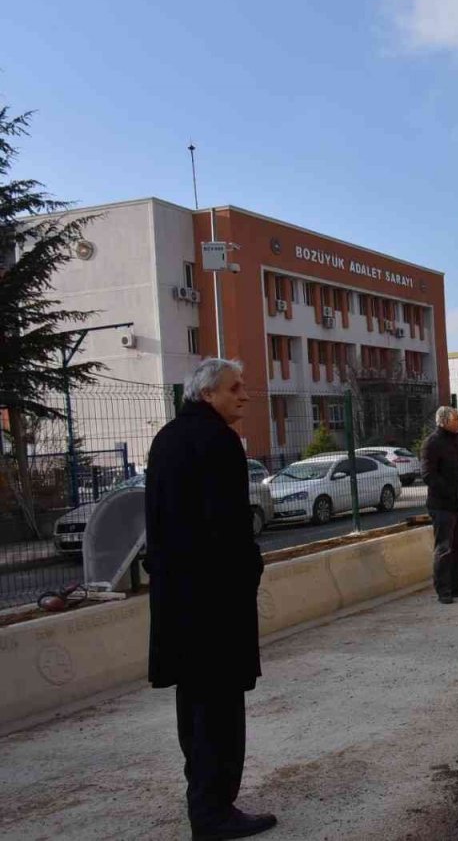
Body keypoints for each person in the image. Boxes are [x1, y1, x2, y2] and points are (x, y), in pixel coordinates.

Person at [144, 358, 277, 840]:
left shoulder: (167, 438)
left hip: (178, 602)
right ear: (207, 395)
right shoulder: (217, 441)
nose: (244, 395)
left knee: (195, 706)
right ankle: (214, 811)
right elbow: (228, 528)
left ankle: (202, 798)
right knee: (220, 710)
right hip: (215, 604)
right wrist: (249, 570)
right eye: (235, 388)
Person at [423, 406, 458, 604]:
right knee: (444, 548)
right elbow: (428, 475)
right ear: (445, 421)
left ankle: (457, 584)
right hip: (442, 505)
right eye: (456, 419)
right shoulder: (432, 443)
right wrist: (450, 491)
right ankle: (443, 589)